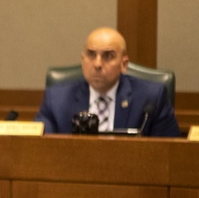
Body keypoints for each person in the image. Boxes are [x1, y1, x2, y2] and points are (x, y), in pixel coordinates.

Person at [35, 27, 180, 136]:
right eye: (91, 54)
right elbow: (38, 149)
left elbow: (169, 154)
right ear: (83, 60)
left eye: (108, 56)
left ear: (123, 64)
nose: (97, 64)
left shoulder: (151, 99)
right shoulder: (57, 99)